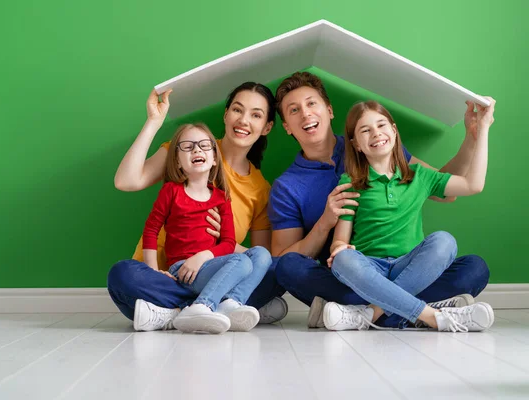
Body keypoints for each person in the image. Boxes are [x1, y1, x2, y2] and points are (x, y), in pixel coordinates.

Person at [269, 72, 491, 329]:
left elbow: (446, 189)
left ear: (329, 110)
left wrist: (473, 136)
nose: (306, 114)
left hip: (404, 268)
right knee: (290, 267)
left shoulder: (381, 148)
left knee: (473, 268)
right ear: (286, 125)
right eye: (294, 110)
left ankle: (363, 315)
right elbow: (281, 259)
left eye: (311, 103)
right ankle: (428, 311)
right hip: (354, 274)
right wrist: (325, 224)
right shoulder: (287, 187)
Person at [108, 83, 287, 332]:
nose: (244, 120)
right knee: (122, 274)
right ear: (226, 115)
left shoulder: (260, 189)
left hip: (216, 273)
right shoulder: (190, 148)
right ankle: (207, 308)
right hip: (161, 278)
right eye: (237, 110)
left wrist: (224, 242)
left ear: (267, 126)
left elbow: (258, 257)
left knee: (279, 270)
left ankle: (172, 314)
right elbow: (126, 181)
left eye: (256, 115)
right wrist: (153, 122)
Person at [322, 99, 495, 332]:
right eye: (365, 130)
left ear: (394, 131)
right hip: (370, 267)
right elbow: (339, 241)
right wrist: (340, 249)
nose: (376, 133)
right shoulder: (350, 182)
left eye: (382, 125)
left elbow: (473, 184)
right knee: (343, 260)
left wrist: (481, 130)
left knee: (445, 241)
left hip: (411, 267)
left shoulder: (420, 176)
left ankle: (370, 313)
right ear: (356, 145)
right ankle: (433, 316)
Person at [141, 122, 271, 333]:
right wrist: (153, 272)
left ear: (213, 159)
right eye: (188, 146)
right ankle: (201, 307)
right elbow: (151, 230)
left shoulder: (221, 198)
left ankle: (230, 304)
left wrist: (202, 256)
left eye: (204, 145)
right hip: (183, 269)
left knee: (262, 255)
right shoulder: (171, 191)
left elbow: (228, 243)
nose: (197, 150)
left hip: (211, 265)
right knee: (241, 261)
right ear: (177, 160)